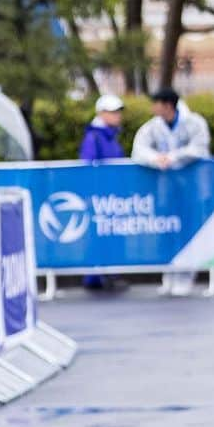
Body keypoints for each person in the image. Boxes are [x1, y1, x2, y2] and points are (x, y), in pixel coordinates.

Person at [131, 88, 210, 297]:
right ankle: (169, 274)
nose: (152, 108)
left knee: (187, 232)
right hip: (165, 189)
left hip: (191, 189)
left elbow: (200, 148)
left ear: (167, 105)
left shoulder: (194, 123)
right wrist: (156, 158)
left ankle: (185, 277)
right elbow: (139, 149)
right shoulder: (152, 127)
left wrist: (174, 157)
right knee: (167, 231)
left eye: (155, 103)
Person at [79, 94, 128, 293]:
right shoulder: (94, 137)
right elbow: (88, 166)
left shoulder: (111, 135)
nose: (117, 116)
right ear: (101, 113)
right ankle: (96, 276)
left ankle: (109, 273)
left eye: (118, 111)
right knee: (99, 233)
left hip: (112, 195)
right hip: (101, 196)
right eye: (113, 112)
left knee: (110, 232)